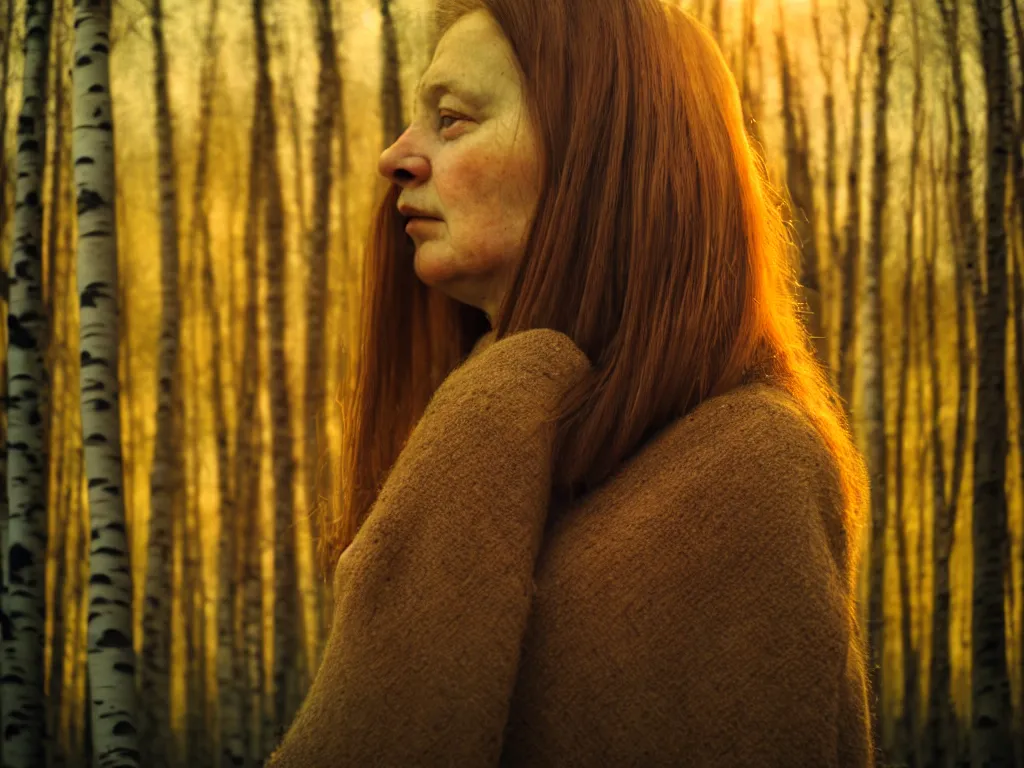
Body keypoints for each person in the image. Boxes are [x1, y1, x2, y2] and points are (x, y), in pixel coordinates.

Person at [266, 0, 877, 765]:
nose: (394, 156)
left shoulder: (747, 466)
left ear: (601, 153)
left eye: (450, 119)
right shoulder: (492, 427)